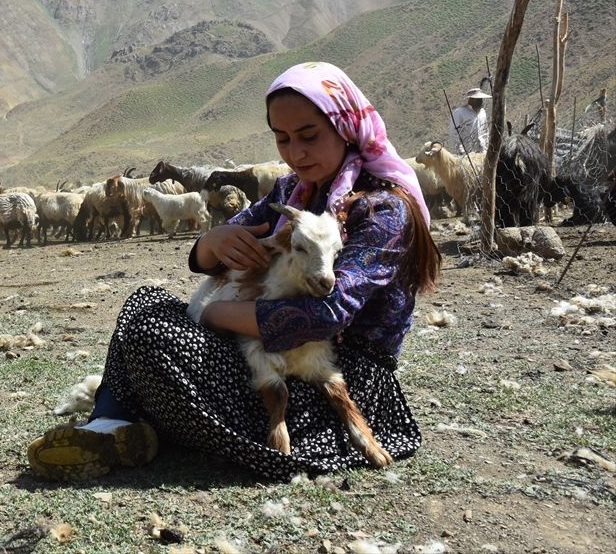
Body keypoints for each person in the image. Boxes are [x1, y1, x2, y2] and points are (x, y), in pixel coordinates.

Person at [26, 61, 441, 481]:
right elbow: (215, 255)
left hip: (332, 377)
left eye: (310, 136)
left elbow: (323, 314)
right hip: (262, 347)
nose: (296, 152)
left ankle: (155, 424)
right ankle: (110, 426)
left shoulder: (383, 209)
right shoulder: (289, 191)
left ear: (346, 126)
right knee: (145, 305)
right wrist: (213, 241)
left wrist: (210, 315)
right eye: (282, 139)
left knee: (158, 339)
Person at [448, 87, 490, 154]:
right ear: (471, 99)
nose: (481, 101)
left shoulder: (482, 113)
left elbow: (485, 131)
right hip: (466, 152)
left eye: (481, 99)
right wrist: (460, 150)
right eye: (478, 99)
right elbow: (454, 133)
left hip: (482, 151)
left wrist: (487, 147)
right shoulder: (459, 112)